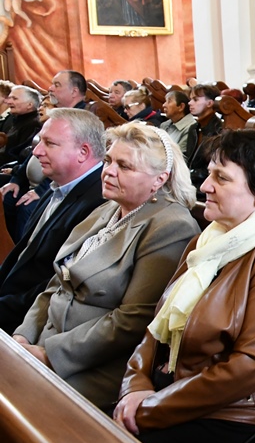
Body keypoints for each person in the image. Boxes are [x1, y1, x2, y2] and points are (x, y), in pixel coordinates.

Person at [114, 129, 255, 443]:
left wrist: (151, 409)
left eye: (222, 178)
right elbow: (157, 327)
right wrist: (135, 384)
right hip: (173, 391)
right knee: (83, 431)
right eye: (209, 174)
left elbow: (249, 367)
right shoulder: (206, 241)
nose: (205, 186)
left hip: (233, 415)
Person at [12, 123, 199, 409]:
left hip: (94, 365)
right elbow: (58, 283)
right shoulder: (109, 208)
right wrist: (23, 336)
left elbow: (133, 320)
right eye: (109, 160)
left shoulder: (171, 226)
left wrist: (49, 354)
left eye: (124, 166)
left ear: (159, 179)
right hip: (45, 341)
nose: (108, 171)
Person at [0, 110, 106, 332]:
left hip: (31, 322)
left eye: (49, 143)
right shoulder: (58, 184)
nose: (36, 151)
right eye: (40, 141)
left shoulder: (99, 203)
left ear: (83, 152)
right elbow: (24, 255)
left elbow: (57, 284)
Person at [0, 86, 42, 164]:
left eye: (14, 99)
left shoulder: (33, 124)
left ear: (29, 105)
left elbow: (18, 156)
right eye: (9, 98)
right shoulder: (11, 119)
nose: (9, 102)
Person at [159, 90, 198, 162]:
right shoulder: (164, 125)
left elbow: (178, 158)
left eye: (169, 101)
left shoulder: (191, 128)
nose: (164, 105)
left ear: (181, 107)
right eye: (165, 101)